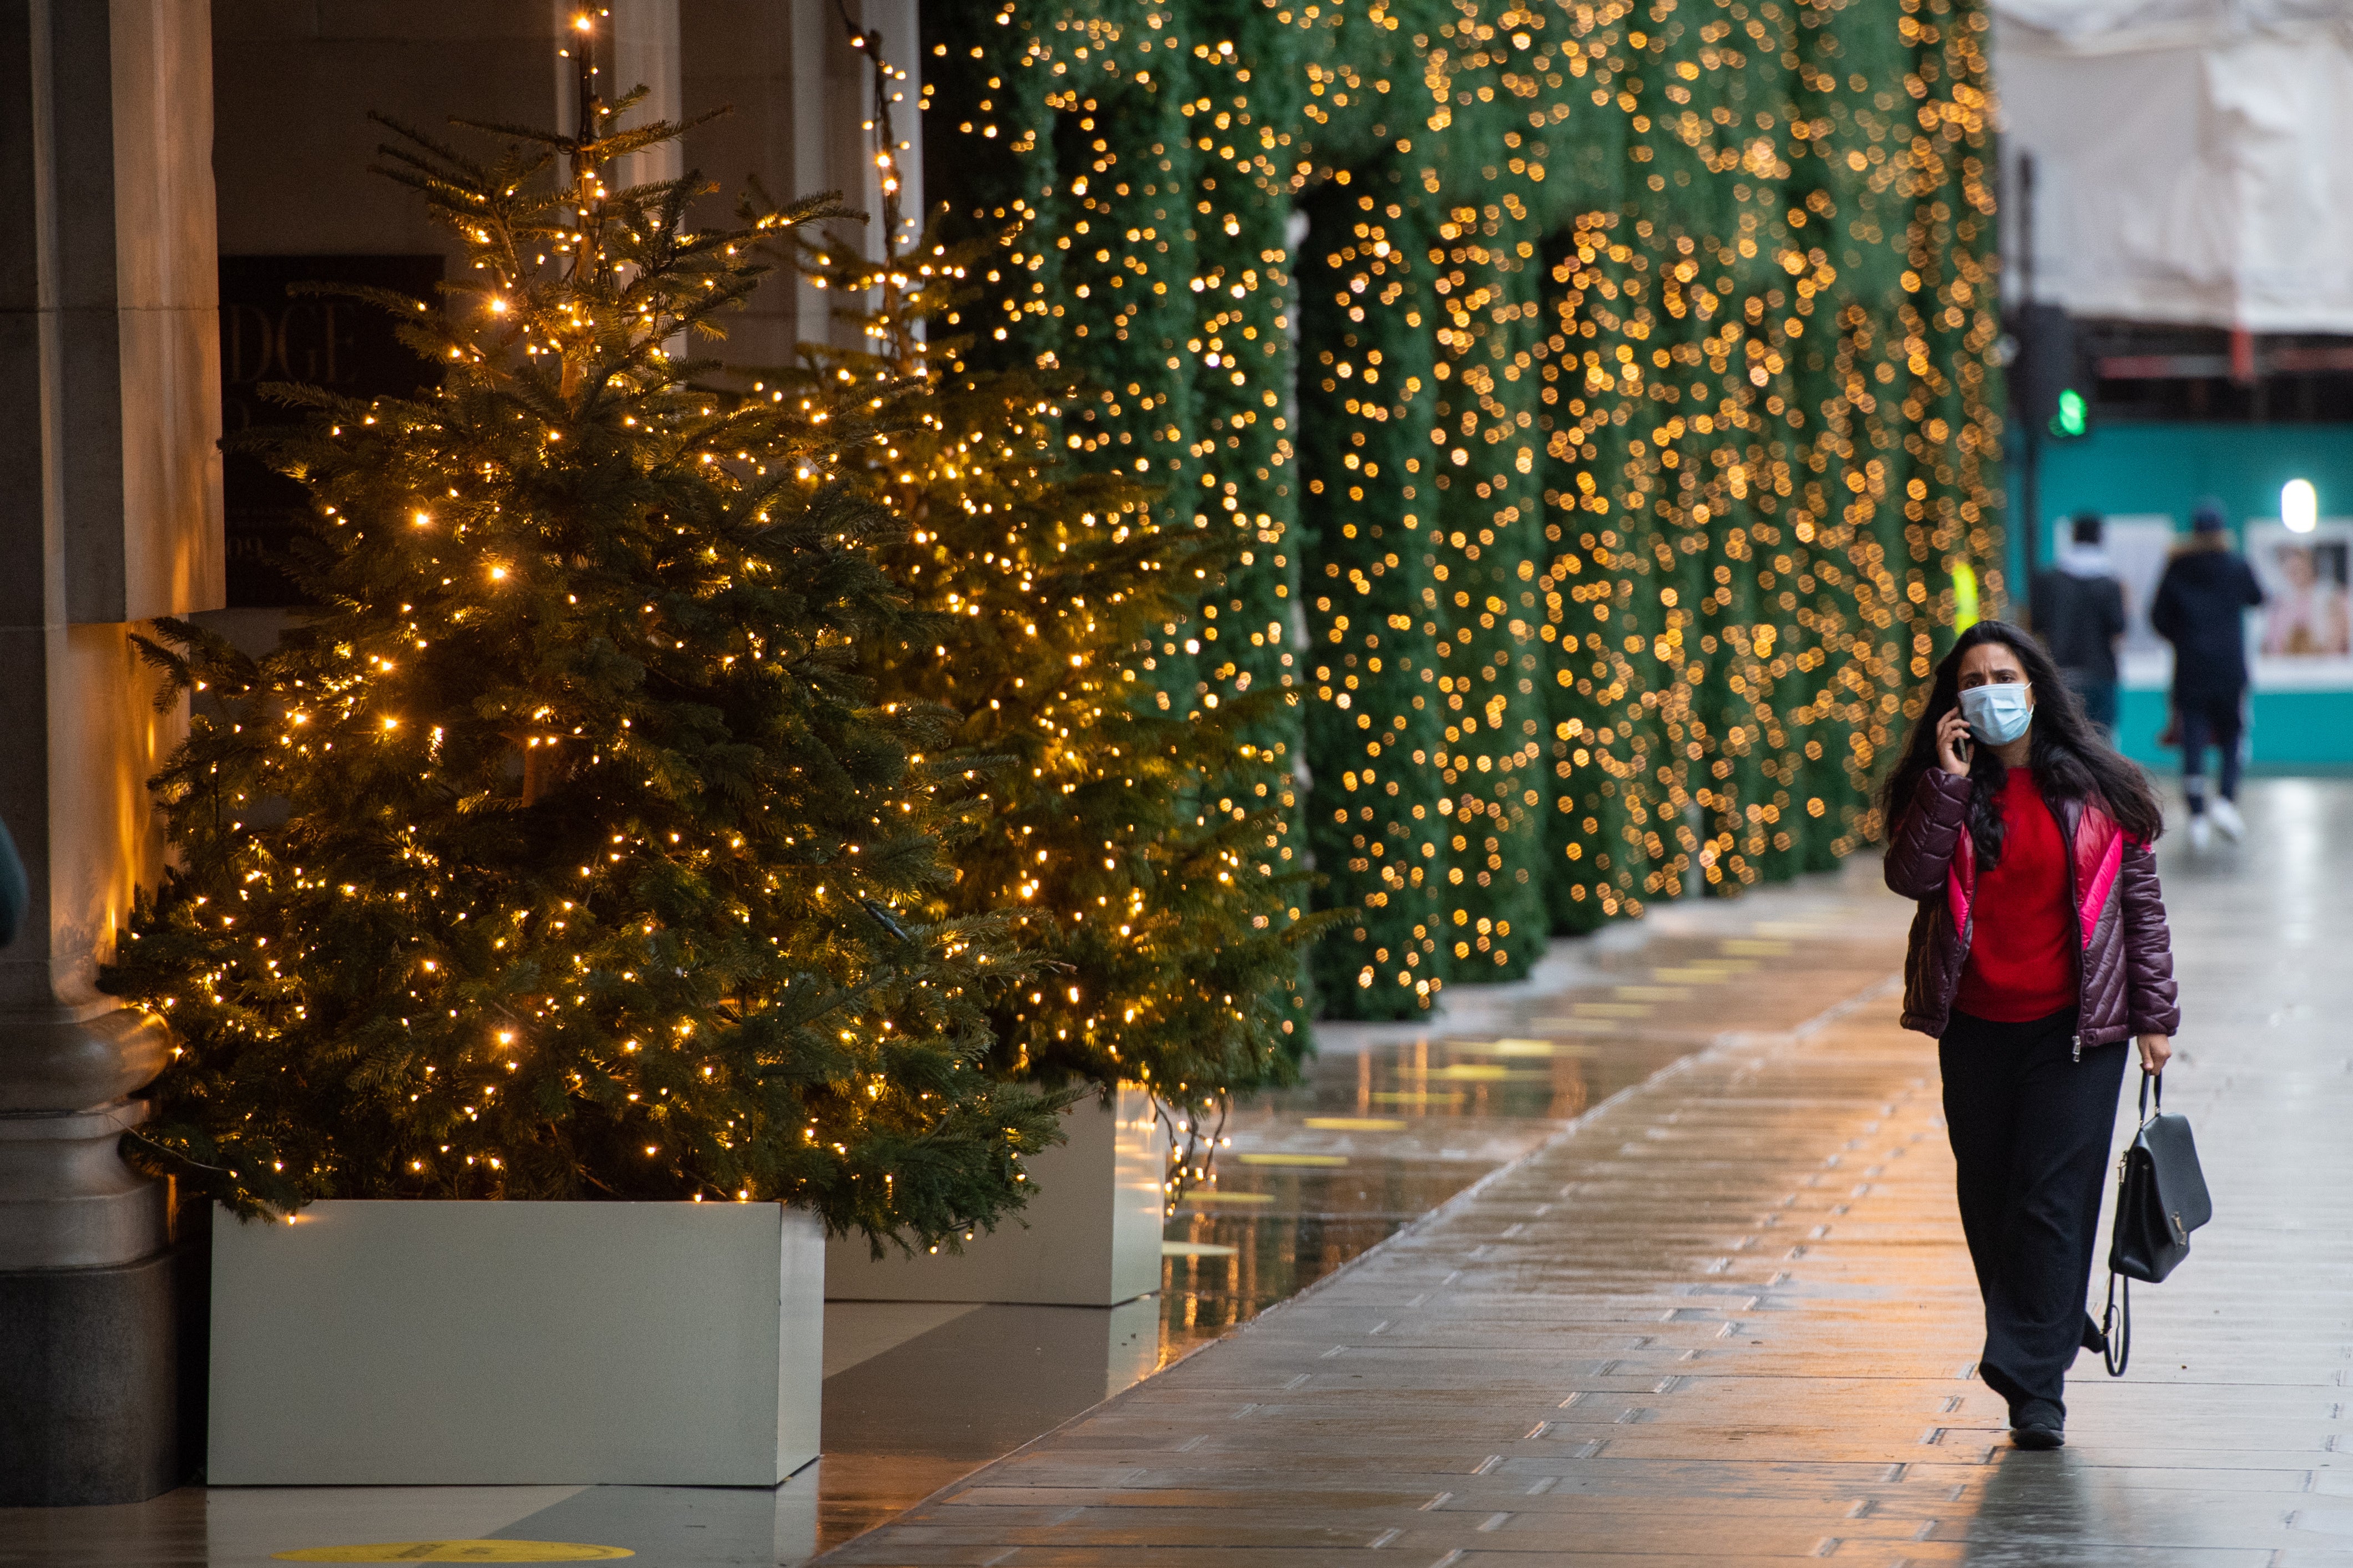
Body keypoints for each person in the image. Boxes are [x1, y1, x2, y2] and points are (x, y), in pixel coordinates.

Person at [1879, 619, 2178, 1452]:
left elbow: (2140, 910)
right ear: (1953, 702)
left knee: (2050, 1197)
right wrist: (1946, 782)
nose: (1989, 690)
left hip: (2078, 1031)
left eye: (2002, 674)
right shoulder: (1940, 788)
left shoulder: (2102, 789)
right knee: (1990, 1196)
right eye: (1971, 678)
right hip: (1973, 1027)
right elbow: (1911, 877)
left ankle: (2033, 1387)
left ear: (2034, 687)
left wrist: (2155, 1015)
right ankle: (2045, 1311)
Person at [2150, 502, 2264, 849]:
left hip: (2191, 671)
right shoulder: (2236, 564)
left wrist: (2184, 639)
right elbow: (2258, 598)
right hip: (2230, 670)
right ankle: (2226, 801)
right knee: (2233, 736)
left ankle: (2197, 815)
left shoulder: (2178, 567)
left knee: (2194, 742)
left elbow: (2156, 617)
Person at [2030, 511, 2128, 735]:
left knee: (2060, 738)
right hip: (2100, 672)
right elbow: (2118, 628)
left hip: (2058, 671)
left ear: (2073, 537)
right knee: (2101, 743)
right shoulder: (2111, 584)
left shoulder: (2049, 581)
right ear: (2100, 538)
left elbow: (2036, 625)